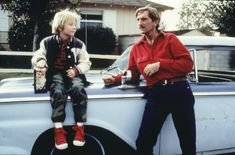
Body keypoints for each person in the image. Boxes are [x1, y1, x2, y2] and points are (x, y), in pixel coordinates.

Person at [102, 5, 196, 155]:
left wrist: (160, 65)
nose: (140, 22)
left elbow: (187, 64)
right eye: (138, 19)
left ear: (155, 21)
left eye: (144, 19)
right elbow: (132, 73)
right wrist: (114, 79)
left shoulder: (170, 39)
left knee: (187, 142)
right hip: (157, 94)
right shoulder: (136, 48)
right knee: (143, 142)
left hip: (179, 91)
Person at [32, 9, 91, 150]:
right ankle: (58, 129)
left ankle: (80, 127)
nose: (74, 27)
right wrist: (40, 60)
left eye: (75, 24)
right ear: (60, 27)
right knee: (58, 92)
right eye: (71, 24)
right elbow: (38, 55)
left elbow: (86, 62)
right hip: (54, 74)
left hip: (72, 74)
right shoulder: (47, 42)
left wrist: (77, 70)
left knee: (79, 90)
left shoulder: (79, 44)